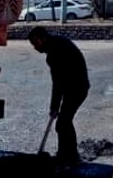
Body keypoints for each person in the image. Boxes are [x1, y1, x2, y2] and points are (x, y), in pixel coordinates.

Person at [28, 26, 90, 167]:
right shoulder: (57, 44)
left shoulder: (55, 53)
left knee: (63, 122)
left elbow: (58, 83)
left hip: (77, 88)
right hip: (75, 87)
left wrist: (54, 107)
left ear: (41, 38)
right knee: (64, 122)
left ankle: (70, 156)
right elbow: (60, 82)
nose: (34, 47)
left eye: (34, 43)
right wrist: (55, 106)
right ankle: (67, 154)